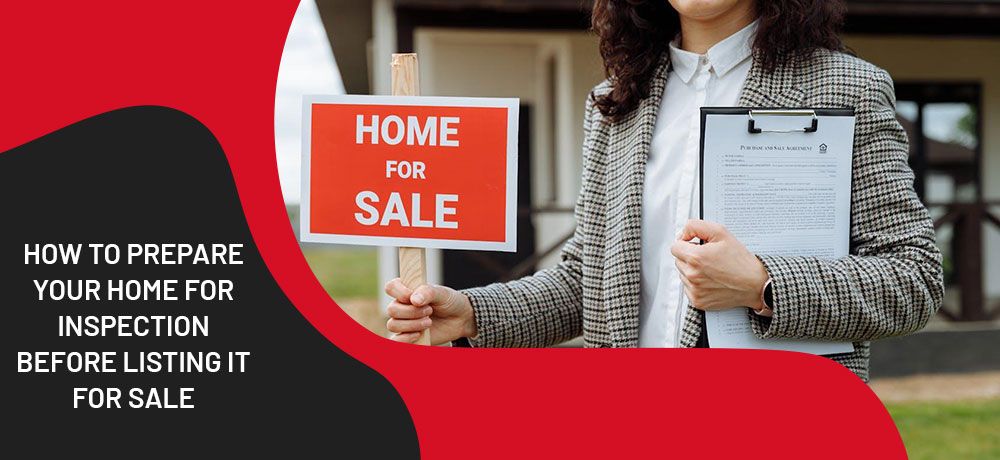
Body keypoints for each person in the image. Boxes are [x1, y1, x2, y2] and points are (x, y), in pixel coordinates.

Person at [383, 0, 943, 381]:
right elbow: (589, 281)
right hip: (635, 423)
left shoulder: (844, 87)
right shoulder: (615, 102)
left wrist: (763, 284)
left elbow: (912, 277)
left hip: (780, 422)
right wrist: (470, 313)